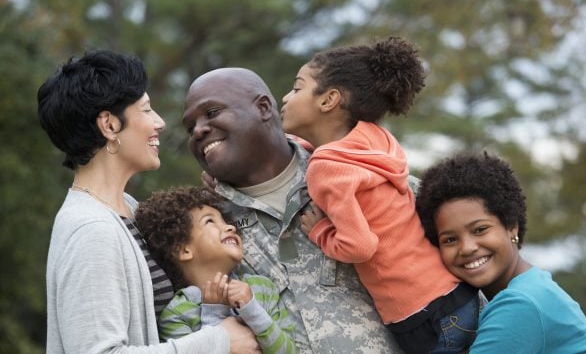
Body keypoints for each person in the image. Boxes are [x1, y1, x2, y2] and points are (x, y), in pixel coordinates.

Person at [39, 50, 259, 353]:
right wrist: (218, 341)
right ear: (109, 125)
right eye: (145, 110)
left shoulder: (128, 208)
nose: (159, 123)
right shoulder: (91, 230)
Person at [279, 36, 480, 353]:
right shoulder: (375, 141)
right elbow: (339, 159)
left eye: (297, 87)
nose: (285, 98)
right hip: (457, 298)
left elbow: (360, 246)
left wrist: (320, 232)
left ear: (329, 100)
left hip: (420, 315)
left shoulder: (326, 169)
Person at [183, 66, 404, 353]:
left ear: (263, 107)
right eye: (190, 128)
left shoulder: (355, 177)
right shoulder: (204, 225)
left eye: (211, 112)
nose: (198, 130)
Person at [415, 152, 586, 353]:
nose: (467, 247)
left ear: (512, 226)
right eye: (450, 239)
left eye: (480, 229)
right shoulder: (531, 285)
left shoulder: (520, 304)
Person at [134, 185, 297, 353]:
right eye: (210, 221)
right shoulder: (176, 314)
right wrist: (213, 315)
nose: (230, 227)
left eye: (225, 221)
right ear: (183, 250)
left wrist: (252, 310)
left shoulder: (262, 288)